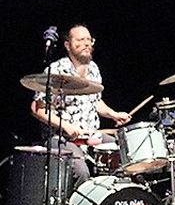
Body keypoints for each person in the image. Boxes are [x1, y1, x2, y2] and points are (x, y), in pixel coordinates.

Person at [30, 24, 133, 185]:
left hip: (90, 135)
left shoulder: (93, 69)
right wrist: (66, 126)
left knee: (124, 156)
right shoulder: (56, 70)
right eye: (80, 40)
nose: (87, 44)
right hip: (62, 138)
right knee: (81, 171)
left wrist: (113, 114)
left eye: (89, 40)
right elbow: (38, 109)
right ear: (68, 45)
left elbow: (95, 101)